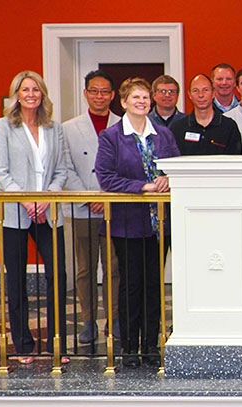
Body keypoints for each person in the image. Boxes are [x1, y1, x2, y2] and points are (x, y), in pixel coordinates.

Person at [95, 77, 180, 367]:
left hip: (160, 224)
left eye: (145, 98)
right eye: (136, 98)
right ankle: (129, 348)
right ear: (123, 102)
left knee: (154, 285)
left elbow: (176, 167)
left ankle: (151, 346)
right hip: (128, 223)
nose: (141, 102)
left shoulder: (164, 134)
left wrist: (167, 178)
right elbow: (106, 177)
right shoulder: (111, 136)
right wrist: (143, 187)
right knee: (131, 285)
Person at [0, 70, 73, 365]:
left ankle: (56, 343)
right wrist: (25, 200)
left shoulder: (54, 128)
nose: (31, 95)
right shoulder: (1, 126)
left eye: (36, 90)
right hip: (13, 212)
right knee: (17, 280)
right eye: (25, 90)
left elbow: (62, 170)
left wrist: (47, 196)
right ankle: (23, 344)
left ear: (43, 95)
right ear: (16, 95)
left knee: (57, 276)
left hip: (48, 211)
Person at [62, 69, 120, 345]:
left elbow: (127, 167)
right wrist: (89, 196)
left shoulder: (123, 124)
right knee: (85, 269)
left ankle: (114, 318)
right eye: (94, 91)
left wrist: (106, 195)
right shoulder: (68, 128)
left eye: (105, 91)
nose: (99, 96)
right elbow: (65, 168)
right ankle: (87, 321)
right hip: (82, 208)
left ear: (113, 95)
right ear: (85, 93)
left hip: (114, 207)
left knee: (114, 268)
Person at [170, 73, 242, 155]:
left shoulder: (229, 127)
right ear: (189, 95)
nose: (201, 95)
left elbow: (235, 160)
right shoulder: (178, 128)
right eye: (195, 91)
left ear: (213, 93)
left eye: (205, 90)